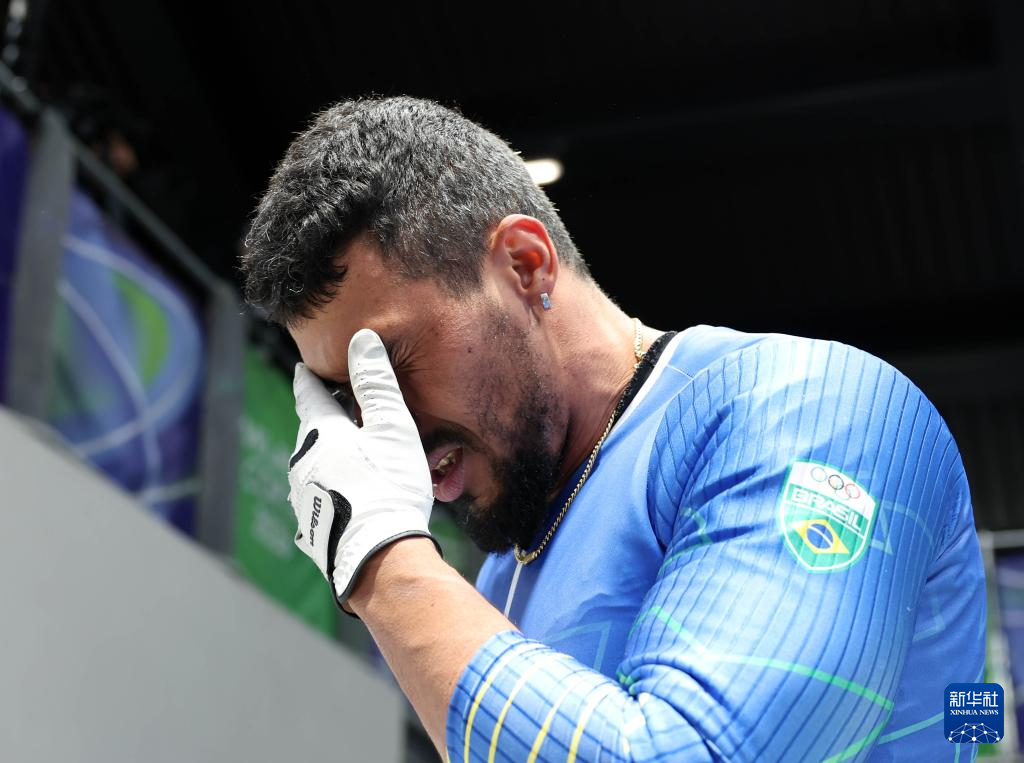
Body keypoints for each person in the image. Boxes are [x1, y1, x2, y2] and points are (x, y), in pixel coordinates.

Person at [240, 97, 986, 762]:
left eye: (390, 365)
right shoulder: (501, 573)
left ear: (525, 265)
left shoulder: (818, 408)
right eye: (346, 398)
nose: (381, 430)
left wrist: (382, 558)